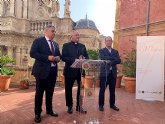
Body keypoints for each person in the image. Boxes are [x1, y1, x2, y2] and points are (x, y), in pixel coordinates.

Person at [30, 25, 61, 123]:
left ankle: (49, 110)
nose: (54, 33)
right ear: (46, 31)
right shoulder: (38, 41)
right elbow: (33, 53)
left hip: (52, 72)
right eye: (52, 31)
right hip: (41, 72)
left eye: (54, 31)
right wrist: (47, 57)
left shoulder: (55, 44)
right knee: (39, 93)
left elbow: (58, 55)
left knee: (50, 93)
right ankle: (37, 113)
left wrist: (58, 58)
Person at [62, 30, 89, 114]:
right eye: (76, 35)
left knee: (81, 89)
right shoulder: (66, 45)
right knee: (68, 89)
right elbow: (63, 57)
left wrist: (83, 57)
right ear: (71, 37)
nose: (78, 36)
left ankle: (79, 106)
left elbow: (87, 57)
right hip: (70, 71)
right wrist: (75, 60)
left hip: (80, 71)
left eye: (78, 35)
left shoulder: (82, 46)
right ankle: (69, 106)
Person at [98, 36, 121, 112]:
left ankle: (112, 105)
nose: (109, 42)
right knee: (102, 90)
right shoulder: (101, 50)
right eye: (107, 41)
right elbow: (103, 58)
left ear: (112, 42)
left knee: (112, 91)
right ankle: (101, 105)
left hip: (113, 74)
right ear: (105, 42)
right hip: (104, 74)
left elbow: (119, 60)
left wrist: (110, 61)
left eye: (110, 41)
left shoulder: (115, 51)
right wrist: (113, 59)